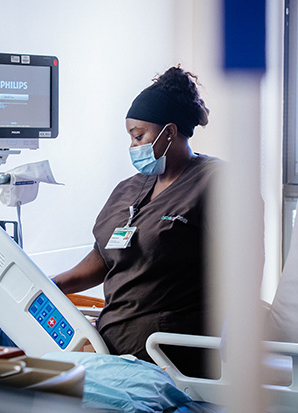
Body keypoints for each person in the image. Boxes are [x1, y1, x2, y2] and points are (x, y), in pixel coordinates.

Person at [53, 66, 220, 378]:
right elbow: (105, 256)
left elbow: (243, 271)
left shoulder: (216, 183)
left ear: (170, 132)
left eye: (139, 136)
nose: (133, 147)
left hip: (170, 357)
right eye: (130, 137)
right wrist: (54, 285)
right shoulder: (131, 188)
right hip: (113, 348)